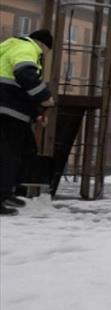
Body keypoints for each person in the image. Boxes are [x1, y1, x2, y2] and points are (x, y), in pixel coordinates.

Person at [0, 29, 54, 215]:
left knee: (26, 150)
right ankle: (2, 196)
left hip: (11, 109)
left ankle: (7, 191)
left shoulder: (8, 48)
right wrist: (45, 97)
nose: (44, 56)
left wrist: (35, 115)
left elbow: (18, 88)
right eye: (46, 52)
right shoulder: (27, 48)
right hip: (7, 111)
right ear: (43, 45)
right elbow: (24, 75)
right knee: (9, 155)